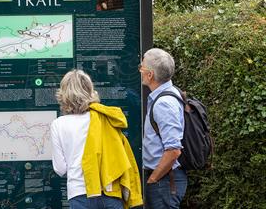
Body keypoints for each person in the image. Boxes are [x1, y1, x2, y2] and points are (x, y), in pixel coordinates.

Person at [51, 69, 142, 209]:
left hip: (79, 194)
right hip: (110, 190)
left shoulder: (58, 124)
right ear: (90, 91)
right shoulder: (104, 117)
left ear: (64, 94)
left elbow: (60, 168)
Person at [140, 48, 187, 208]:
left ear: (150, 74)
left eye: (142, 67)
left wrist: (153, 179)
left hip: (164, 180)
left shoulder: (163, 104)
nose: (140, 70)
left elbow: (174, 150)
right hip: (164, 179)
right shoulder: (168, 94)